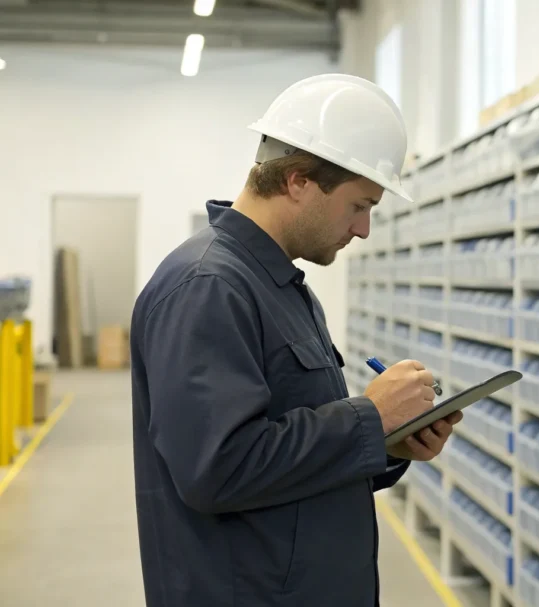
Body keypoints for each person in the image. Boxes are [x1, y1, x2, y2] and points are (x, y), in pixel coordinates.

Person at [129, 74, 457, 607]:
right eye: (359, 206)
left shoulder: (281, 286)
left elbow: (285, 457)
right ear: (299, 181)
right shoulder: (208, 287)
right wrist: (368, 418)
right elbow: (217, 469)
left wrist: (388, 442)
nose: (364, 229)